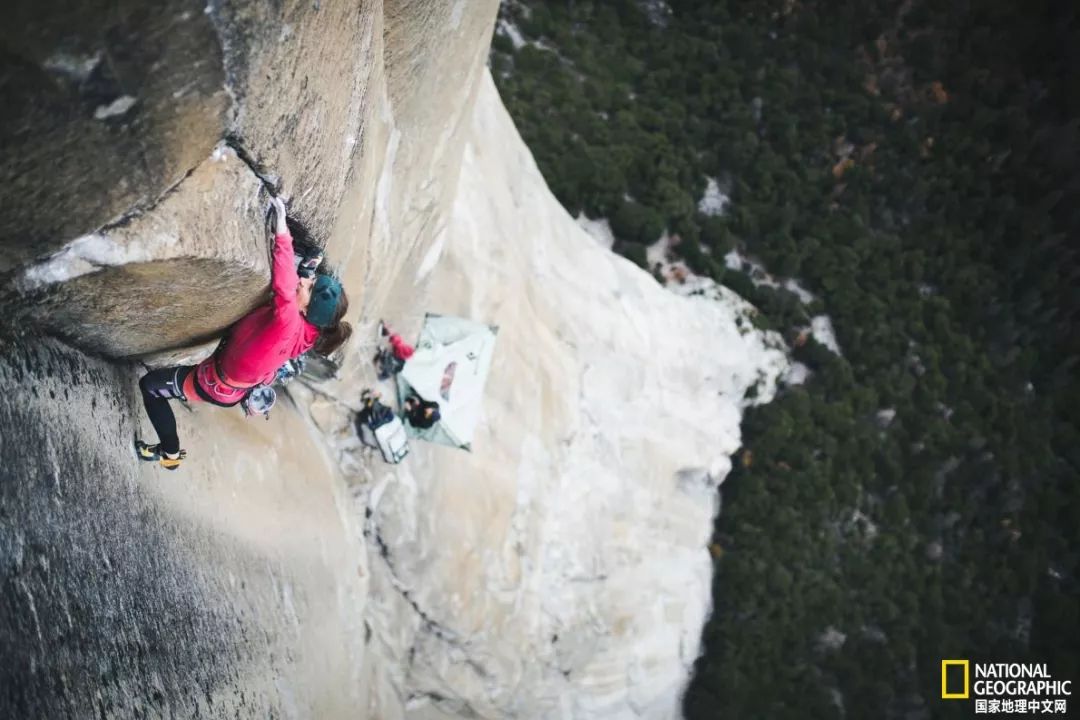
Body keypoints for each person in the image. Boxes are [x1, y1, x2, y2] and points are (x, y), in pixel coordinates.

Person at [135, 197, 352, 469]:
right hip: (234, 386)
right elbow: (296, 295)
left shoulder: (287, 320)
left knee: (151, 387)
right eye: (310, 280)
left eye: (309, 286)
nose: (305, 281)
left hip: (212, 382)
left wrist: (282, 232)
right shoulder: (309, 333)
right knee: (162, 385)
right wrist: (307, 272)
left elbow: (285, 286)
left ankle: (170, 455)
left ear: (307, 311)